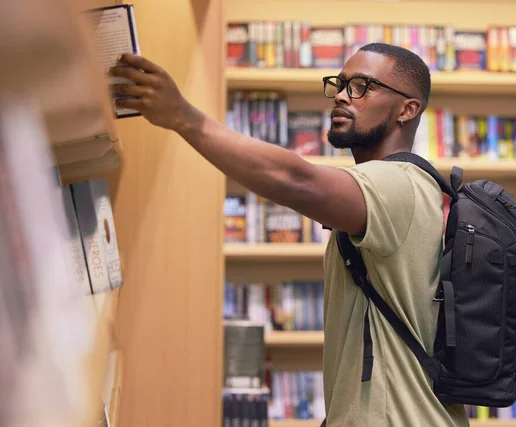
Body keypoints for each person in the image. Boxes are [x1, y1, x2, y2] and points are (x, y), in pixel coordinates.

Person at [111, 43, 469, 427]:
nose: (344, 96)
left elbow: (294, 180)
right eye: (341, 84)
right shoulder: (406, 185)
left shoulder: (396, 184)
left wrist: (184, 117)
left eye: (363, 86)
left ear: (407, 109)